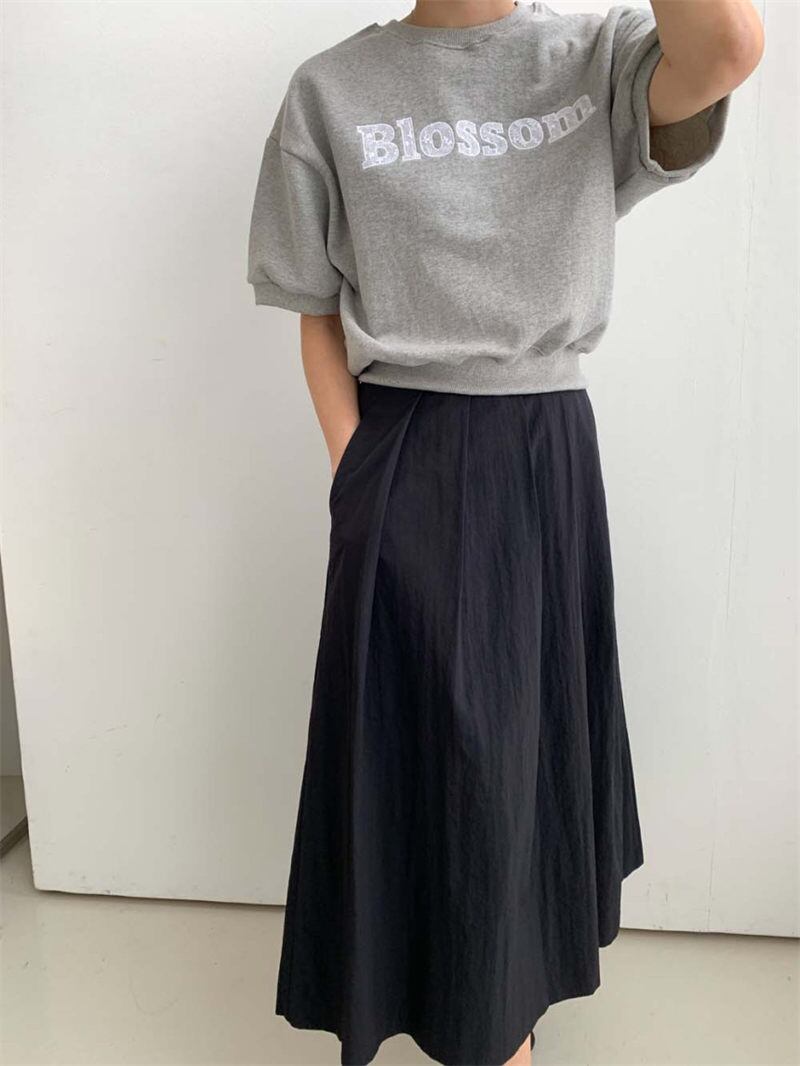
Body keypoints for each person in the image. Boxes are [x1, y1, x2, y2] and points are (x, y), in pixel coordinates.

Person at [246, 2, 763, 1063]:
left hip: (545, 448)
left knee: (519, 750)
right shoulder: (330, 90)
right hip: (405, 447)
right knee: (436, 755)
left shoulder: (594, 56)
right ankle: (477, 1019)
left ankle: (500, 1011)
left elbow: (726, 49)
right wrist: (356, 477)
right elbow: (314, 308)